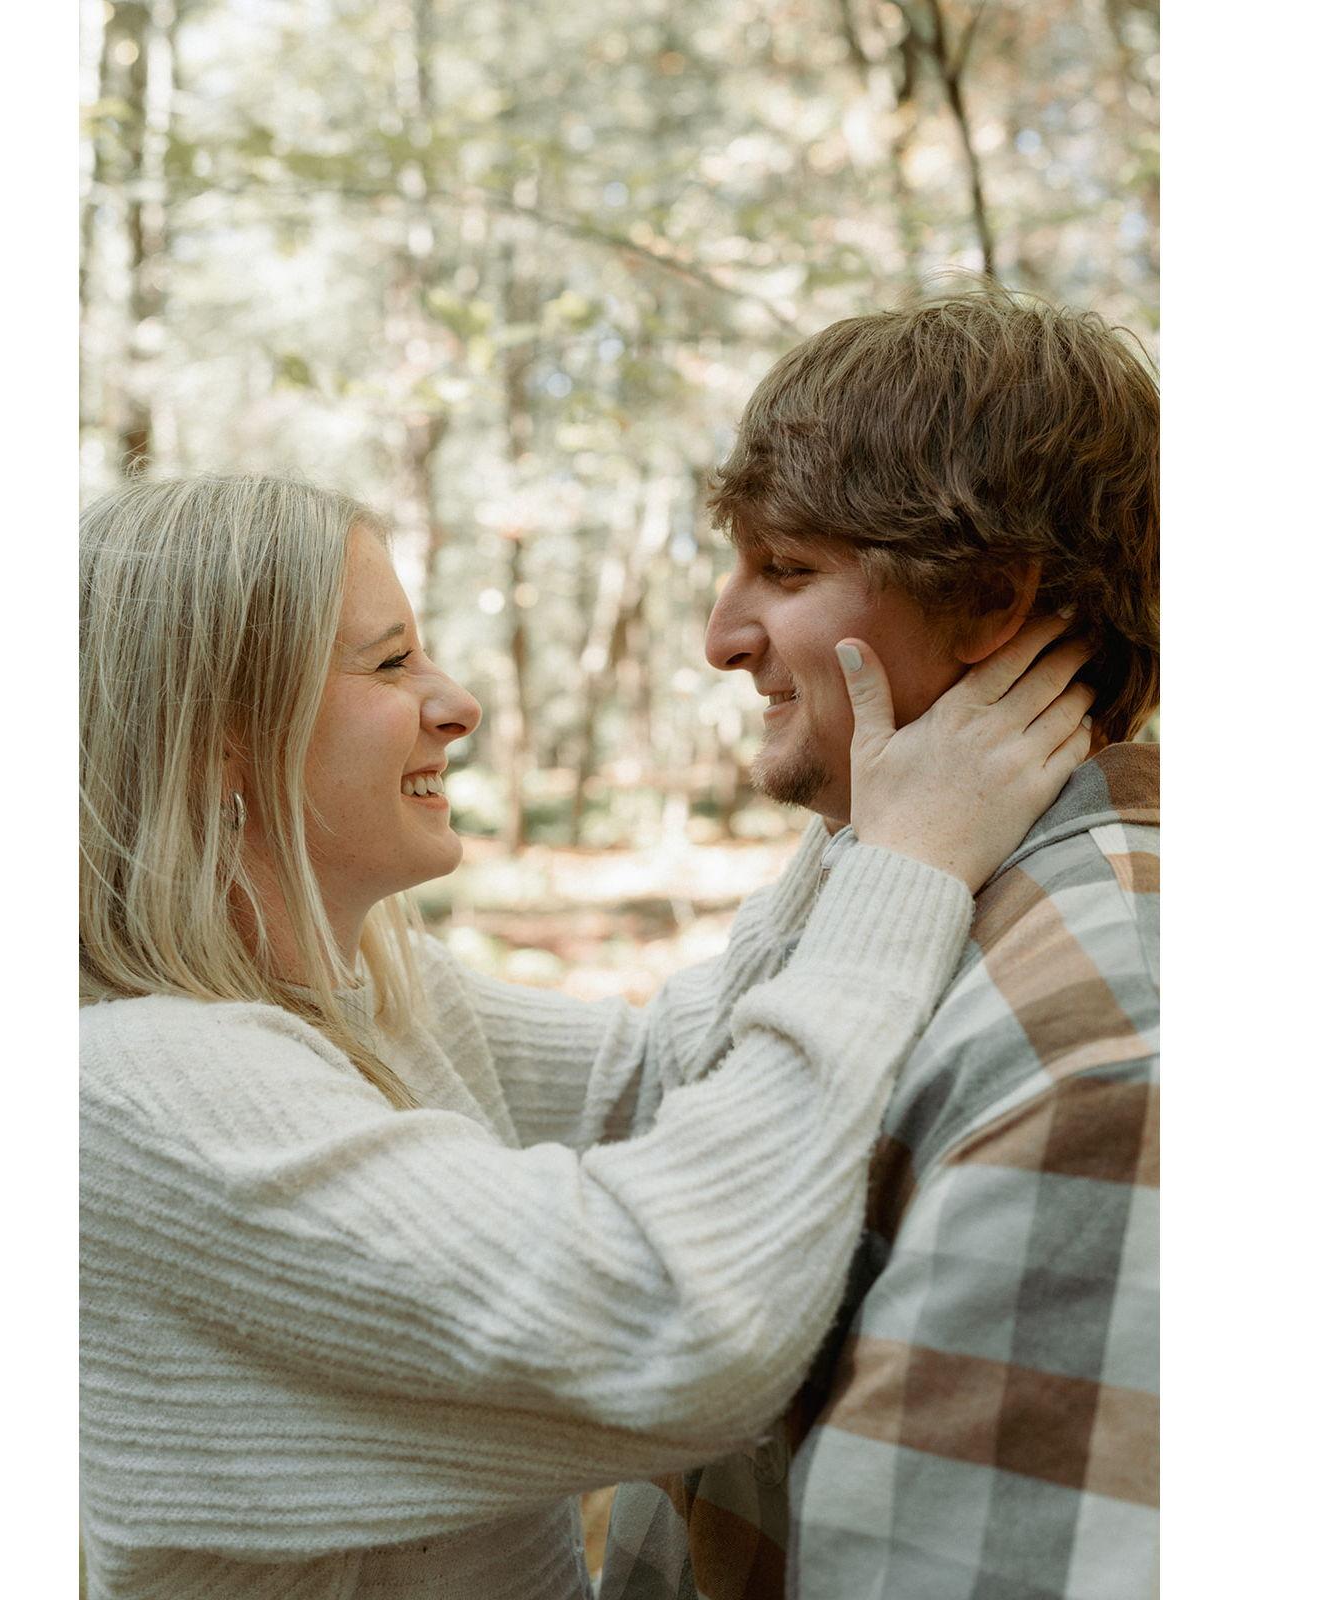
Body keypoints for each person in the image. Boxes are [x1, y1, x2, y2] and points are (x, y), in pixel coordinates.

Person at [79, 472, 1093, 1600]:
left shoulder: (371, 990)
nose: (457, 703)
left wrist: (875, 804)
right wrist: (907, 861)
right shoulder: (139, 1096)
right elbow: (677, 1326)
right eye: (391, 662)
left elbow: (663, 1074)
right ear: (217, 737)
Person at [599, 284, 1159, 1598]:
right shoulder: (897, 894)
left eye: (787, 570)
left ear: (989, 599)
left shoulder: (1103, 1046)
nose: (721, 637)